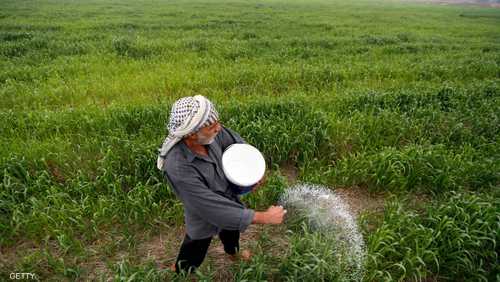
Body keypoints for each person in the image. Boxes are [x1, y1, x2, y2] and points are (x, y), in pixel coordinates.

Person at [157, 95, 286, 274]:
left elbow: (237, 144)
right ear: (191, 134)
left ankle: (233, 254)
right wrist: (263, 217)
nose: (218, 128)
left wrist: (254, 172)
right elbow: (209, 207)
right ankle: (181, 271)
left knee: (231, 232)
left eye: (218, 122)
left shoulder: (211, 134)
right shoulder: (178, 165)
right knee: (196, 245)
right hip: (203, 213)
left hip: (229, 200)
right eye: (211, 126)